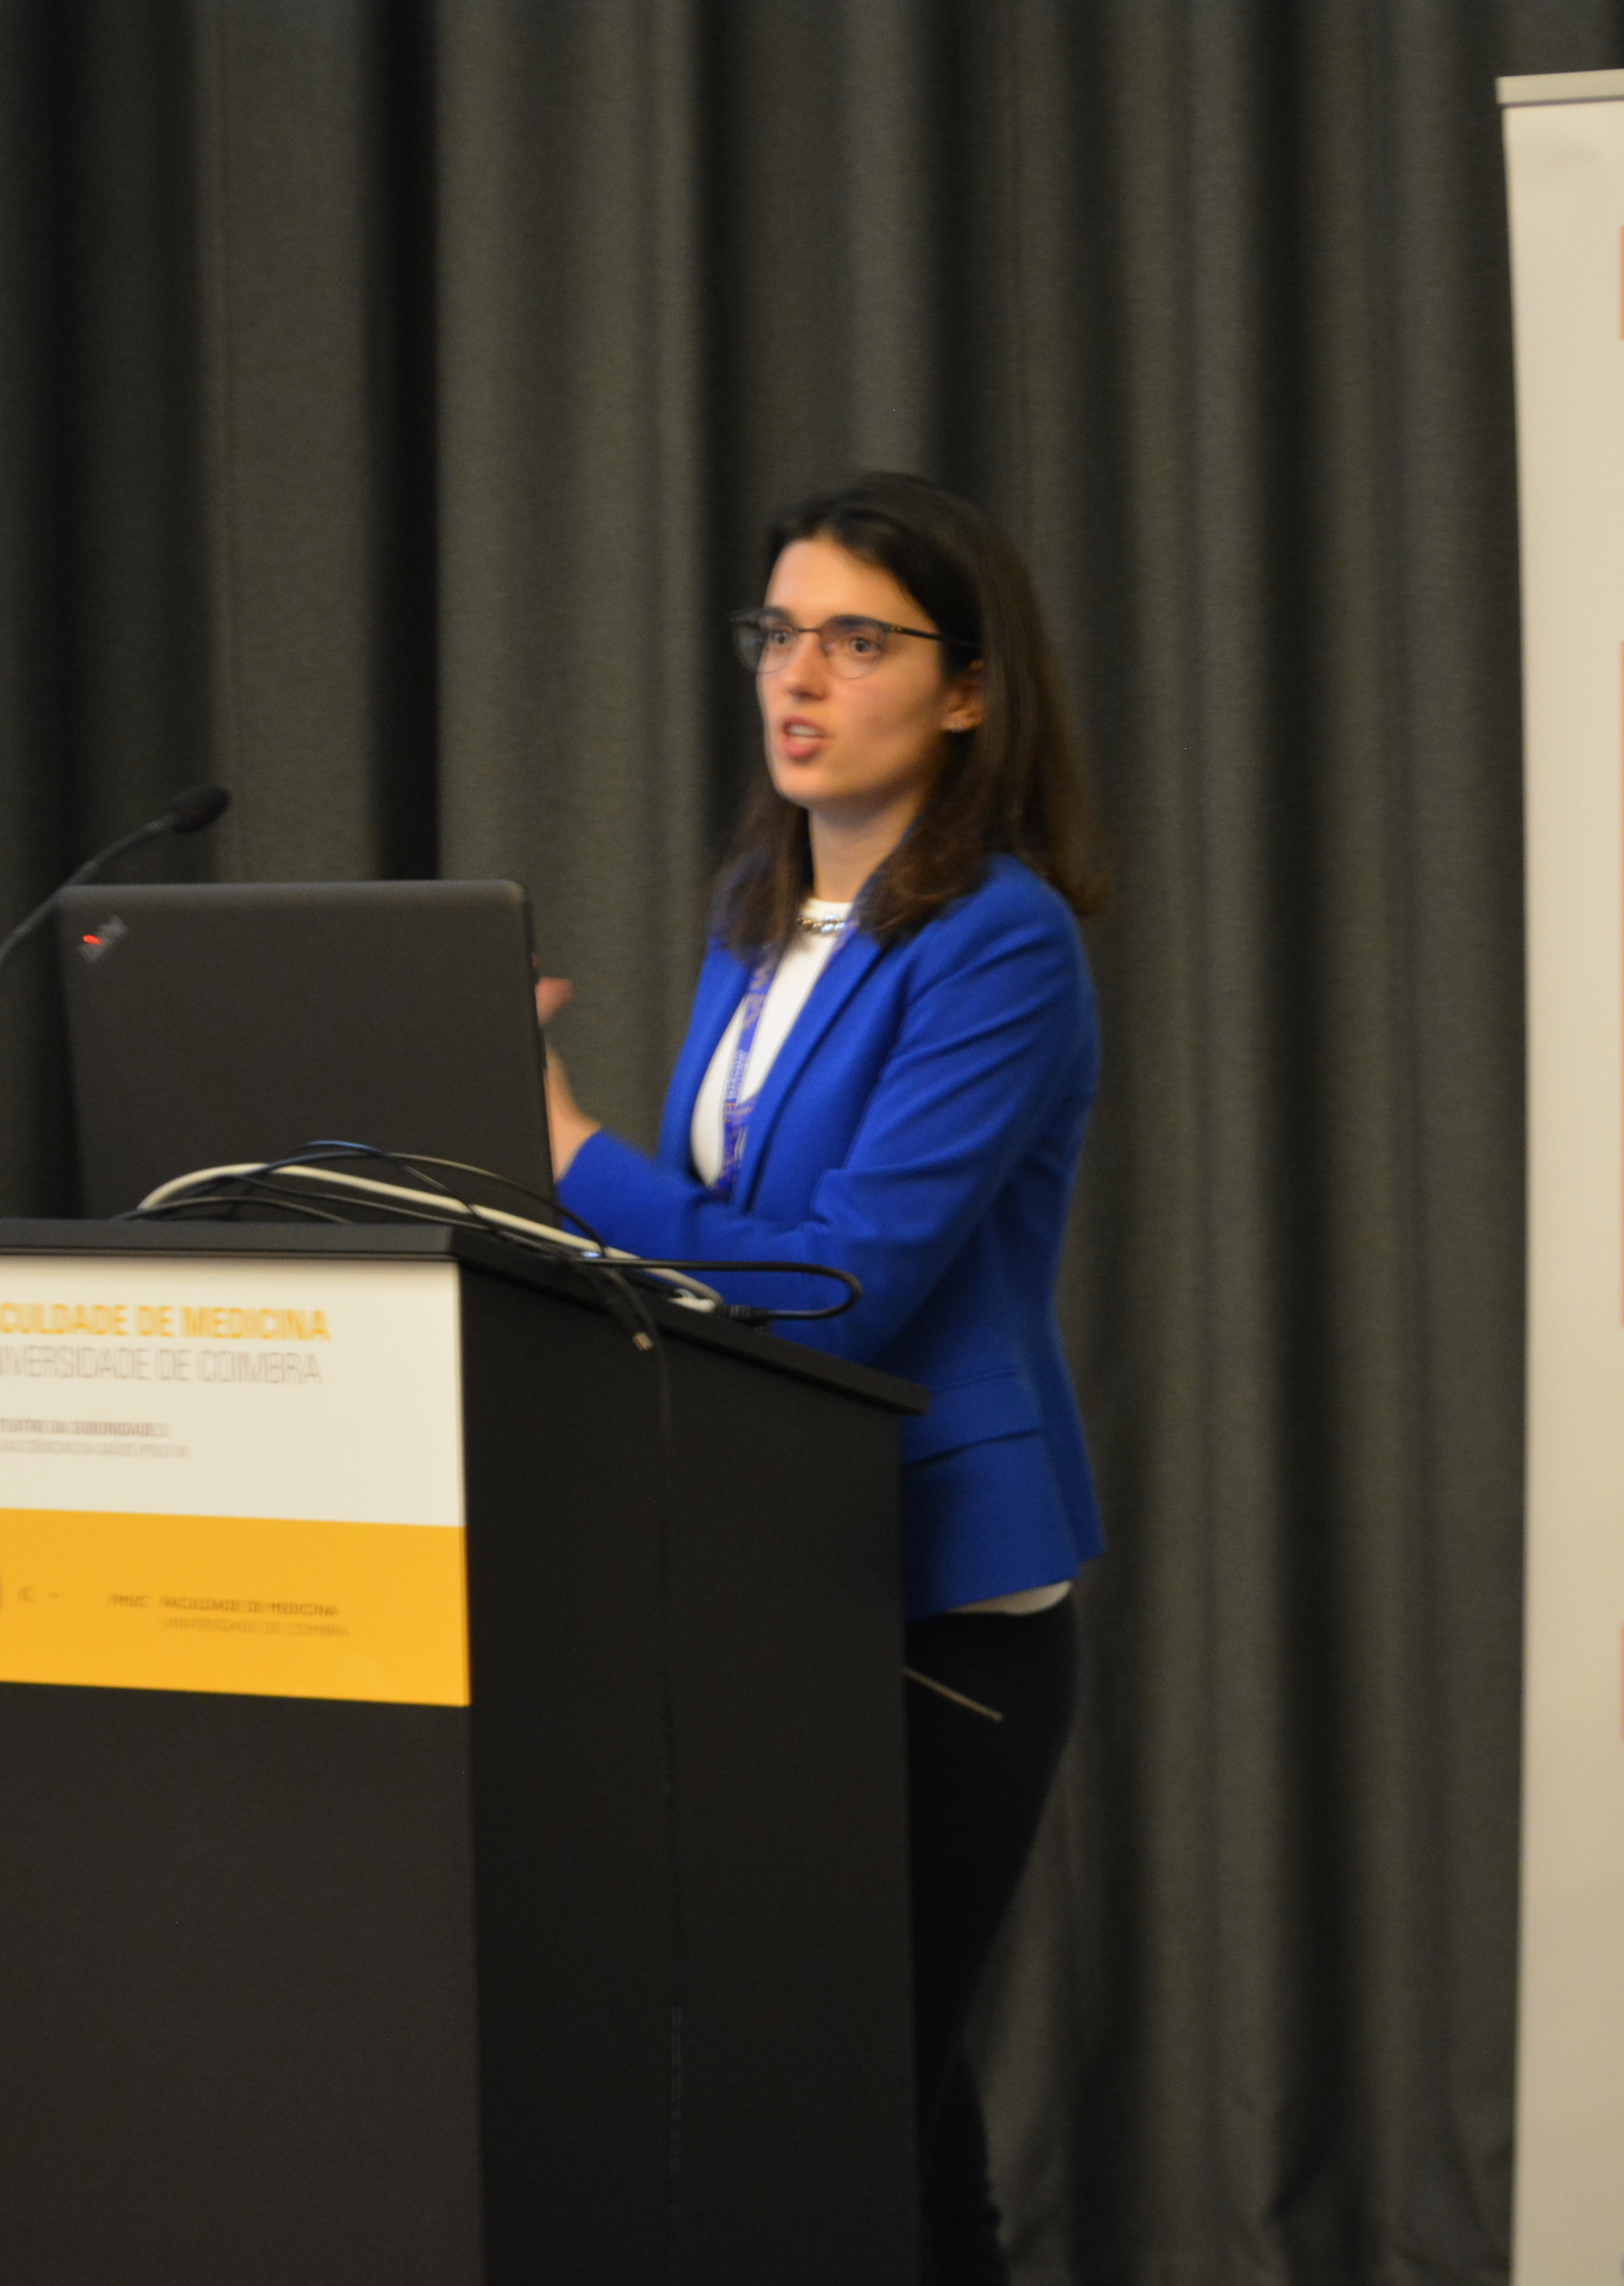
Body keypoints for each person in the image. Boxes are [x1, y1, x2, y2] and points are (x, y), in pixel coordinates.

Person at [537, 470, 1110, 2285]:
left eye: (857, 642)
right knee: (887, 2117)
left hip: (942, 1601)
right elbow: (720, 1243)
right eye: (778, 634)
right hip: (780, 1568)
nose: (796, 677)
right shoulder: (756, 917)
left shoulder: (1001, 936)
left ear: (968, 690)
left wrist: (568, 1151)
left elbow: (837, 1290)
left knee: (849, 2094)